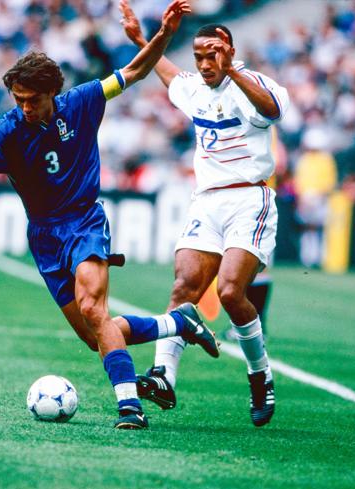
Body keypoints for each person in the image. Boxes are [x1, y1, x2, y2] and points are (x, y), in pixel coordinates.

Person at [0, 0, 220, 431]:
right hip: (44, 236)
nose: (25, 107)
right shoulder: (7, 130)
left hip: (84, 220)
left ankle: (129, 407)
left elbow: (134, 72)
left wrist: (164, 34)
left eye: (33, 100)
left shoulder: (82, 102)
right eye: (19, 99)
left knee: (94, 308)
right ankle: (177, 321)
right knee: (91, 333)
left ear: (52, 94)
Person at [119, 0, 290, 427]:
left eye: (211, 54)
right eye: (199, 56)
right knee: (183, 288)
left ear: (230, 51)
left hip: (250, 198)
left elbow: (271, 111)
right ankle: (164, 377)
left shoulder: (252, 83)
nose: (204, 63)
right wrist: (142, 39)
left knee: (231, 293)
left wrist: (231, 70)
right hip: (207, 200)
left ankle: (260, 374)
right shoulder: (195, 86)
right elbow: (169, 75)